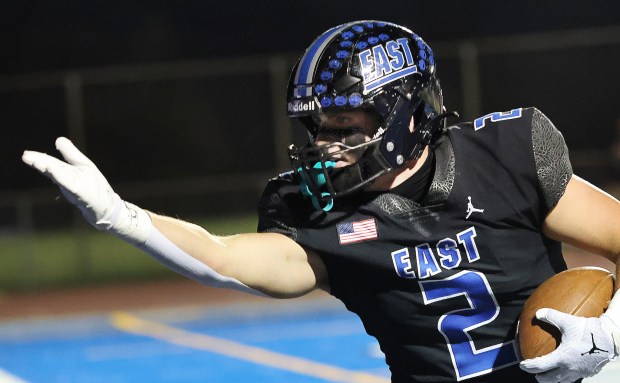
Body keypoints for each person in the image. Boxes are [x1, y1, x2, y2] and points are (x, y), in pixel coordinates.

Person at [21, 20, 620, 383]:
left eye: (343, 124)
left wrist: (612, 328)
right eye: (317, 129)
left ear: (404, 116)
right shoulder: (310, 213)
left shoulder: (503, 153)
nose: (326, 146)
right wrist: (122, 218)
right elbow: (222, 257)